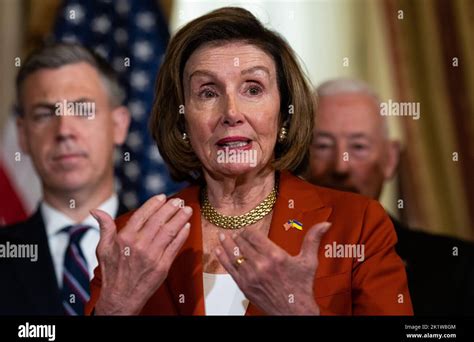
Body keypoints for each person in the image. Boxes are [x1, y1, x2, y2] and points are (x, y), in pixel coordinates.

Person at [86, 7, 413, 316]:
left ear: (285, 112)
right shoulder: (133, 238)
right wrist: (116, 308)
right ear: (182, 118)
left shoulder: (357, 226)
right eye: (208, 92)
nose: (231, 113)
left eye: (253, 89)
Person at [304, 78, 474, 315]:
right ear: (299, 157)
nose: (340, 167)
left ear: (391, 158)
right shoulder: (270, 260)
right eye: (322, 146)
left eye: (359, 147)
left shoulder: (457, 267)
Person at [0, 43, 131, 315]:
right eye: (45, 114)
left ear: (119, 125)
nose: (64, 130)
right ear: (22, 135)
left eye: (83, 110)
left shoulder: (166, 248)